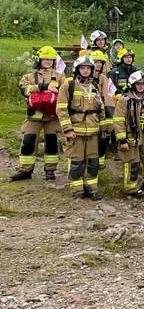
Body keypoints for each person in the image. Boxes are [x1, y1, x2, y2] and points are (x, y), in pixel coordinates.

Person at [10, 46, 65, 182]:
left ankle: (50, 170)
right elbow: (24, 90)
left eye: (50, 59)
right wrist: (43, 87)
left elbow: (65, 92)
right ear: (39, 60)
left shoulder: (60, 77)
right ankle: (25, 170)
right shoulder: (29, 77)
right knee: (28, 141)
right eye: (45, 59)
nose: (47, 62)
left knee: (52, 143)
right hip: (34, 116)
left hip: (52, 117)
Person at [56, 57, 104, 199]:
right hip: (75, 131)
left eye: (88, 68)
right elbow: (61, 109)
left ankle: (92, 189)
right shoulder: (68, 85)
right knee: (76, 161)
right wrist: (68, 129)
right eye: (82, 68)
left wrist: (104, 129)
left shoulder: (95, 86)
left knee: (93, 162)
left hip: (93, 131)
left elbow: (100, 109)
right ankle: (77, 189)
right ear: (77, 69)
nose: (85, 70)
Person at [113, 71, 144, 197]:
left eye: (143, 84)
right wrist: (122, 140)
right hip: (131, 136)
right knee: (132, 162)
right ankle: (131, 189)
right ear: (132, 84)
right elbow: (118, 120)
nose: (141, 86)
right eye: (138, 84)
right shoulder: (124, 100)